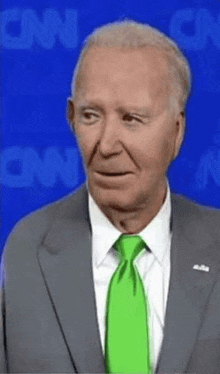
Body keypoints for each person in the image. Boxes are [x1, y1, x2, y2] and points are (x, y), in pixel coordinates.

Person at [0, 20, 220, 374]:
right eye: (91, 116)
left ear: (176, 132)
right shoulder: (26, 249)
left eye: (131, 119)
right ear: (71, 118)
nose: (105, 145)